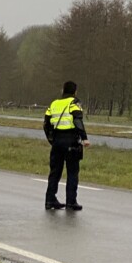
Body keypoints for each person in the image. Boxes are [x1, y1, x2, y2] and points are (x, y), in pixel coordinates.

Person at [43, 80, 91, 211]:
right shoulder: (74, 103)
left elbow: (46, 124)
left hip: (57, 141)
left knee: (55, 172)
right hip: (71, 141)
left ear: (62, 90)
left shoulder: (54, 103)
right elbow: (77, 120)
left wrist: (52, 140)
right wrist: (84, 138)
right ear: (75, 91)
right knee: (72, 172)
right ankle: (71, 202)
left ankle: (50, 200)